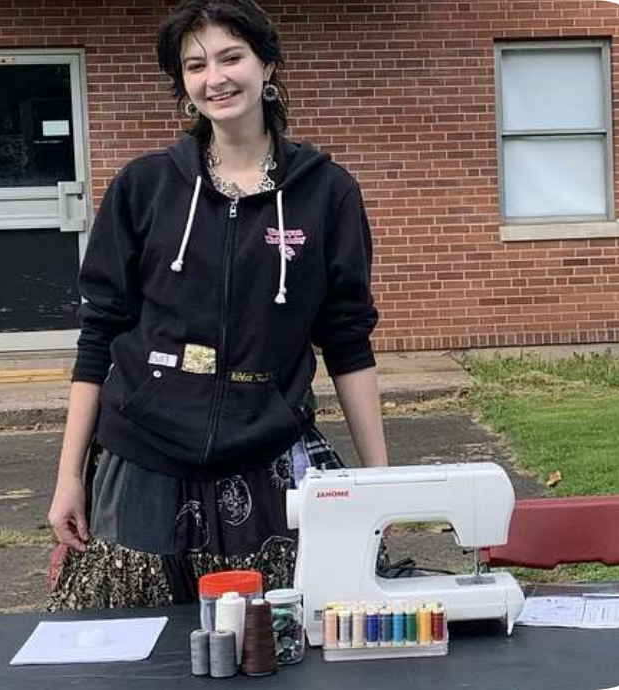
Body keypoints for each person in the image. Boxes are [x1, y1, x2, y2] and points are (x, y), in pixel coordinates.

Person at [47, 0, 388, 611]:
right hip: (141, 456)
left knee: (283, 645)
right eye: (195, 65)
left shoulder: (327, 192)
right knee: (137, 657)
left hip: (268, 453)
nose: (216, 78)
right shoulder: (143, 187)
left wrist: (380, 485)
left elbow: (348, 341)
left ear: (267, 65)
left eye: (231, 57)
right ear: (182, 84)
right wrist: (69, 474)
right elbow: (98, 335)